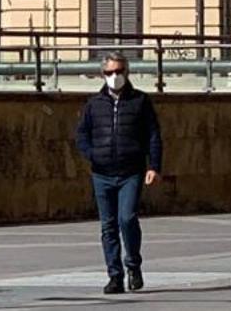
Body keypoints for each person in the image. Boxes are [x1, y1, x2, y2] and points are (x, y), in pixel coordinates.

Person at [73, 54, 163, 295]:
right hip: (102, 173)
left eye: (119, 71)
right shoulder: (94, 104)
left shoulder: (140, 101)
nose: (115, 77)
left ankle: (133, 264)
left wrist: (153, 166)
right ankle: (115, 276)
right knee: (108, 226)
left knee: (127, 218)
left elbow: (153, 135)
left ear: (127, 72)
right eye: (110, 72)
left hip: (131, 171)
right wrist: (92, 154)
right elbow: (81, 135)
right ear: (103, 75)